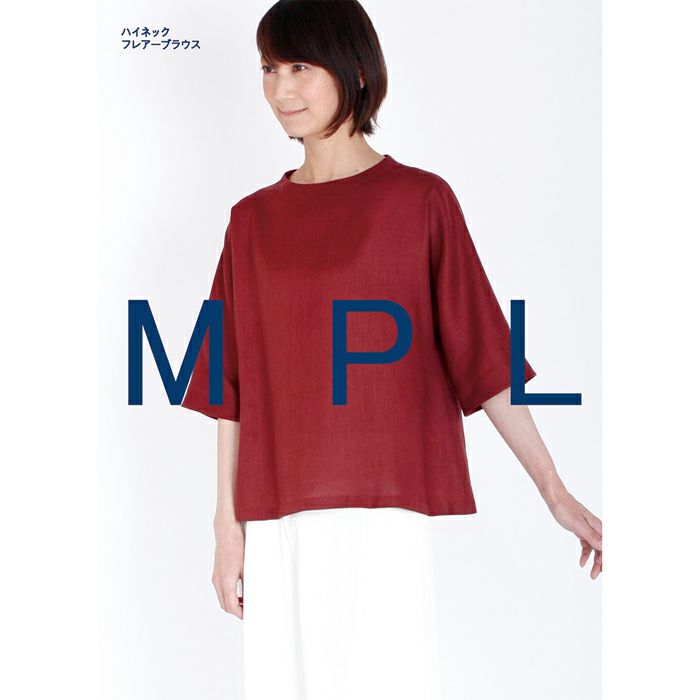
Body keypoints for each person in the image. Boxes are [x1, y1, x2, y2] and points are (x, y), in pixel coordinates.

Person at [181, 1, 603, 698]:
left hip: (382, 511)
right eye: (269, 69)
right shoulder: (250, 222)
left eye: (299, 67)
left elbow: (484, 357)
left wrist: (554, 491)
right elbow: (229, 388)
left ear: (353, 70)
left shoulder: (419, 202)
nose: (280, 89)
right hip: (277, 513)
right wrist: (227, 529)